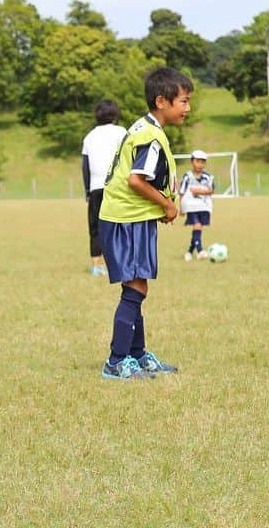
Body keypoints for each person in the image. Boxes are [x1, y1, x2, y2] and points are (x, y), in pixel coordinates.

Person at [98, 67, 193, 380]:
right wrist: (166, 204)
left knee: (138, 285)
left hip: (130, 216)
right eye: (184, 101)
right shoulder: (150, 135)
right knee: (136, 286)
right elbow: (136, 180)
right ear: (162, 101)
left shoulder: (146, 127)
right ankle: (116, 361)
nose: (187, 108)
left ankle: (136, 355)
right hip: (126, 218)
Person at [81, 99, 127, 276]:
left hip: (96, 187)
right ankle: (119, 263)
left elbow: (85, 166)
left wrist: (87, 190)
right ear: (115, 114)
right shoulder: (121, 132)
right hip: (117, 186)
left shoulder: (90, 136)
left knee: (96, 227)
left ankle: (96, 265)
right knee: (119, 226)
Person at [178, 149, 215, 261]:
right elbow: (181, 192)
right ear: (192, 161)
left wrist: (199, 191)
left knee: (198, 228)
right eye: (198, 161)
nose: (200, 164)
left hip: (204, 206)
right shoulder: (187, 177)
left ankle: (189, 252)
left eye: (203, 162)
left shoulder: (208, 177)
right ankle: (200, 250)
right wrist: (181, 208)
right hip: (191, 206)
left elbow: (211, 190)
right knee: (197, 225)